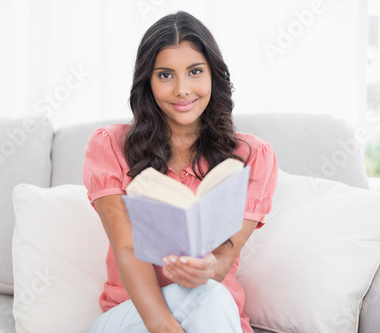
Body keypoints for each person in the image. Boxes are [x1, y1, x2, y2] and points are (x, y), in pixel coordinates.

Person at [83, 11, 278, 333]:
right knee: (208, 299)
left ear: (213, 75)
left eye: (195, 72)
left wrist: (205, 270)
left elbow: (224, 259)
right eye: (165, 75)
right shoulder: (109, 145)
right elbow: (127, 248)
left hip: (213, 310)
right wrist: (162, 325)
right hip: (133, 316)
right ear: (147, 81)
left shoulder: (252, 155)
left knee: (208, 295)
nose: (182, 89)